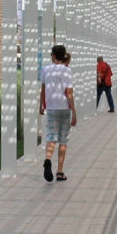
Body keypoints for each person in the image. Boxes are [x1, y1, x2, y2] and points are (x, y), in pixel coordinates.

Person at [38, 43, 77, 182]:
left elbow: (43, 89)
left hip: (51, 108)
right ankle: (60, 172)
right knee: (63, 140)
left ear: (53, 56)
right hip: (64, 108)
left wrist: (41, 106)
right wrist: (74, 112)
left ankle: (48, 159)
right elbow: (69, 92)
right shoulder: (67, 71)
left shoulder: (45, 69)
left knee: (51, 137)